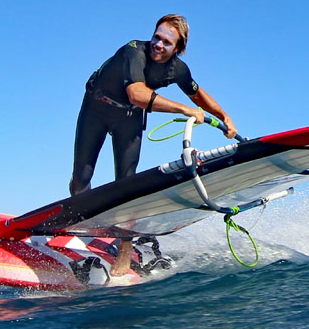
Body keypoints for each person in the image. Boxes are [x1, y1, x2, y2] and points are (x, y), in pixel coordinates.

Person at [69, 14, 237, 196]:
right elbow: (136, 94)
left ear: (177, 48)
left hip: (129, 118)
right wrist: (185, 109)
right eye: (157, 37)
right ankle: (77, 215)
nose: (158, 44)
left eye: (167, 42)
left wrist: (224, 117)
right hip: (97, 110)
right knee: (81, 177)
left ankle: (123, 221)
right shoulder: (133, 50)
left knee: (127, 182)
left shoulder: (178, 69)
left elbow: (197, 95)